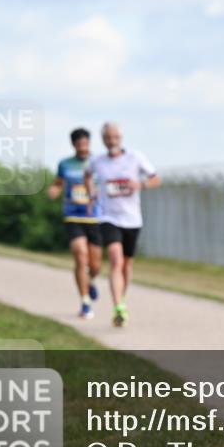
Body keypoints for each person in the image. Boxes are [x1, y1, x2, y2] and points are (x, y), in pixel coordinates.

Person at [84, 122, 160, 327]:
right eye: (108, 138)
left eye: (115, 137)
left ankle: (122, 301)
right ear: (103, 139)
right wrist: (91, 195)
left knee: (126, 265)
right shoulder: (97, 161)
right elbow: (87, 175)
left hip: (132, 219)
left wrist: (140, 184)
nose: (112, 141)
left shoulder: (135, 157)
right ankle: (118, 307)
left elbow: (155, 179)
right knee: (116, 261)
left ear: (121, 138)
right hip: (109, 218)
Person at [48, 128, 102, 319]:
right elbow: (58, 183)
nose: (82, 146)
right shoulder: (65, 164)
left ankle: (91, 280)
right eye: (79, 143)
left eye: (85, 143)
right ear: (73, 145)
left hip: (95, 217)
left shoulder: (98, 162)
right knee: (80, 256)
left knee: (95, 265)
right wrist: (54, 190)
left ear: (89, 143)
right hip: (73, 216)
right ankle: (85, 303)